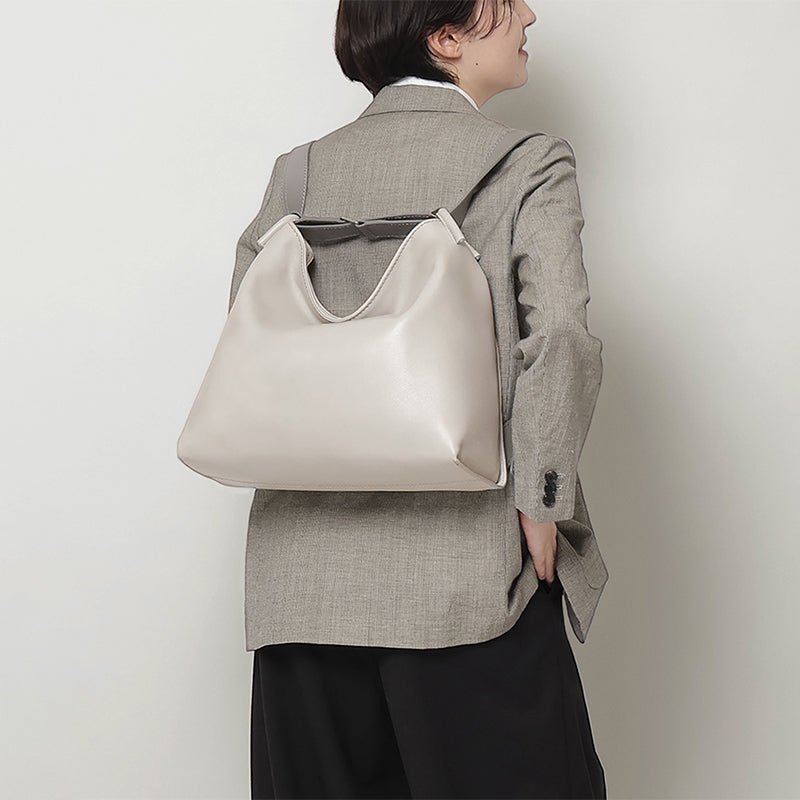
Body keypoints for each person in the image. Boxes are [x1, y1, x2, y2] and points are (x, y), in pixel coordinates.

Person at [229, 1, 610, 797]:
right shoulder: (527, 164)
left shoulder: (296, 176)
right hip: (469, 587)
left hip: (301, 597)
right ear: (444, 39)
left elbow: (252, 342)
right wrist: (542, 499)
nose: (528, 14)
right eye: (505, 4)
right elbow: (560, 336)